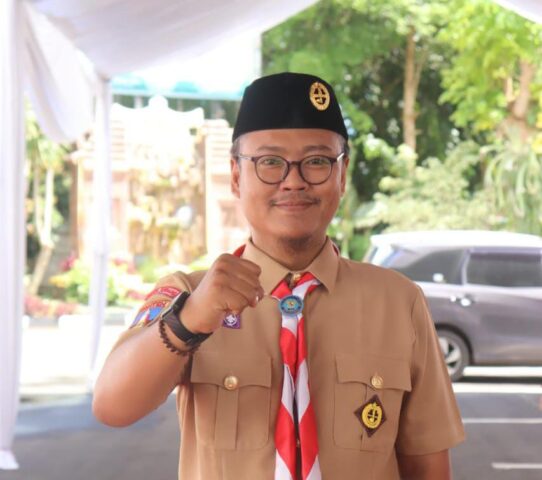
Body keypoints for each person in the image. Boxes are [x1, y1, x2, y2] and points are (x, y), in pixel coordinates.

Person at [93, 72, 465, 480]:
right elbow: (113, 407)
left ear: (342, 174)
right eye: (270, 162)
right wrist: (189, 321)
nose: (294, 181)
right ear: (236, 176)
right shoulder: (188, 295)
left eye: (317, 162)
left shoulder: (398, 302)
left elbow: (427, 464)